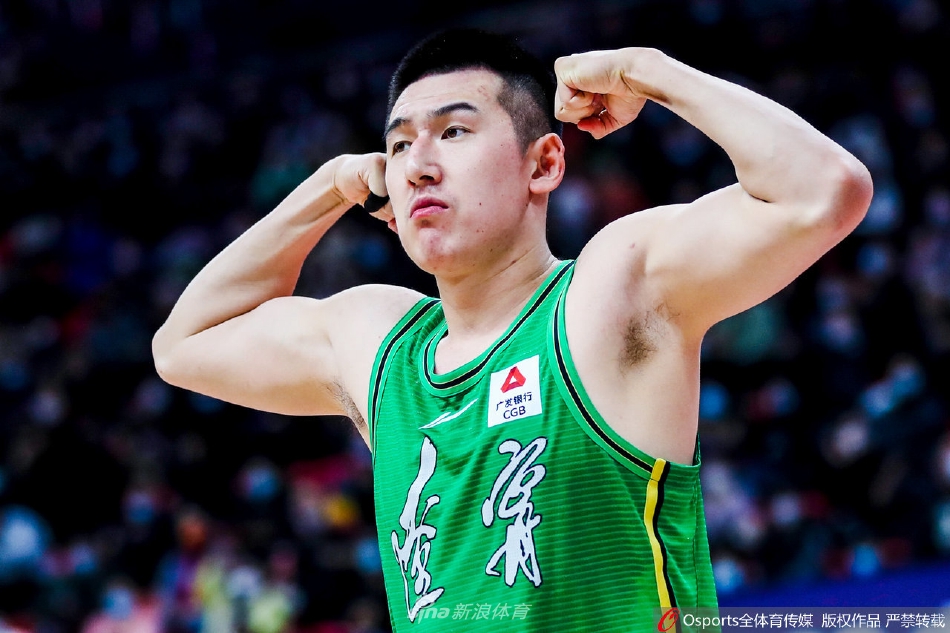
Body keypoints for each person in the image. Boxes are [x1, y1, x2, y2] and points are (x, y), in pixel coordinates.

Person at [152, 28, 872, 632]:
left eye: (454, 132)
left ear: (545, 163)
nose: (418, 165)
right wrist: (330, 186)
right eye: (398, 147)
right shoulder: (380, 345)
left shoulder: (605, 295)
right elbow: (183, 345)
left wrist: (646, 71)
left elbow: (825, 190)